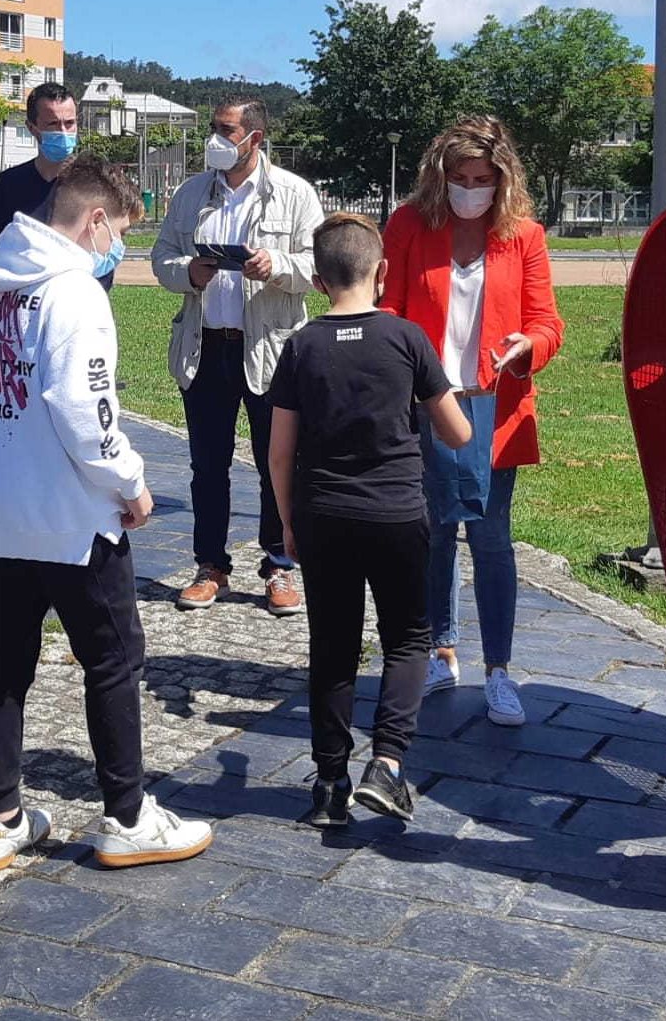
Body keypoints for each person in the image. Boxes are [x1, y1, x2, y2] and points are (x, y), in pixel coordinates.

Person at [0, 154, 212, 870]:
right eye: (117, 230)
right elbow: (85, 411)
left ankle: (0, 818)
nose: (116, 246)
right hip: (71, 514)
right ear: (93, 221)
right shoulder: (75, 291)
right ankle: (127, 814)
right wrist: (132, 480)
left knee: (2, 660)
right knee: (114, 658)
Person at [268, 214, 472, 826]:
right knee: (408, 636)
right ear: (382, 273)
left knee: (332, 646)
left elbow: (280, 451)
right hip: (396, 512)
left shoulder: (301, 346)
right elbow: (458, 434)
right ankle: (387, 762)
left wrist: (287, 521)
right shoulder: (407, 339)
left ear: (319, 278)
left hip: (323, 512)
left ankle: (330, 782)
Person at [381, 116, 564, 728]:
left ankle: (500, 672)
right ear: (440, 177)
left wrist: (527, 347)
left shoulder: (525, 236)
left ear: (502, 179)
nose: (470, 189)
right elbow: (391, 308)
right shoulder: (409, 225)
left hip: (495, 407)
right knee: (431, 535)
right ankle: (441, 650)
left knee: (491, 540)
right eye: (459, 178)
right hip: (428, 403)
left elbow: (548, 323)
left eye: (482, 179)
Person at [151, 97, 323, 617]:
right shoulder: (189, 194)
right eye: (213, 129)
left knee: (279, 464)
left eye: (226, 131)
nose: (215, 141)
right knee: (207, 466)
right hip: (205, 347)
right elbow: (160, 257)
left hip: (271, 352)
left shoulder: (294, 194)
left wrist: (277, 264)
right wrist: (189, 272)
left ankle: (279, 566)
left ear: (256, 138)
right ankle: (211, 567)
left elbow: (320, 265)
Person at [0, 82, 113, 293]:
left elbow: (104, 263)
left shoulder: (96, 185)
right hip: (21, 307)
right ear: (31, 128)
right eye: (53, 124)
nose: (63, 132)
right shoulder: (8, 185)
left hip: (78, 304)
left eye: (70, 123)